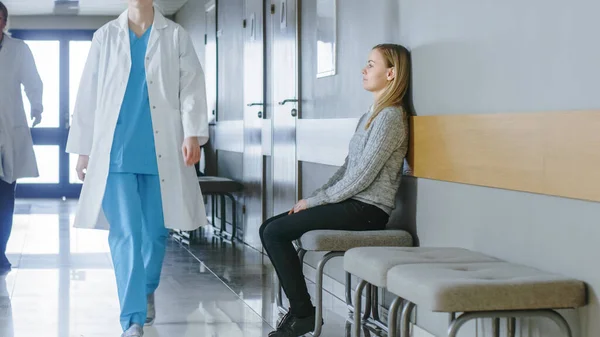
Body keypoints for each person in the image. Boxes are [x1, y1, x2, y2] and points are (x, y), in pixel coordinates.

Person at [66, 1, 209, 336]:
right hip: (116, 154)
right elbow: (88, 93)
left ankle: (145, 289)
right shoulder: (106, 36)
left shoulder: (175, 35)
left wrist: (192, 133)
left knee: (157, 234)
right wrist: (83, 150)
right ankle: (132, 319)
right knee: (126, 235)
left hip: (163, 153)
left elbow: (191, 86)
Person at [259, 44, 411, 337]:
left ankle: (303, 313)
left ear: (390, 73)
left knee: (273, 232)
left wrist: (318, 201)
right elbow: (347, 168)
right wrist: (312, 200)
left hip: (368, 210)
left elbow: (362, 178)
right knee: (270, 226)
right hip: (352, 203)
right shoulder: (371, 115)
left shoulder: (391, 117)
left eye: (371, 64)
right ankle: (300, 310)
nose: (363, 70)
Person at [0, 1, 43, 276]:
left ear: (4, 22)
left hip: (8, 134)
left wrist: (36, 106)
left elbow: (33, 81)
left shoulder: (19, 50)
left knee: (4, 200)